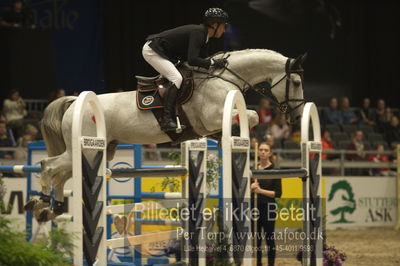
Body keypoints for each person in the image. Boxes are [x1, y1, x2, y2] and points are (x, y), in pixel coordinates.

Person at [142, 8, 229, 132]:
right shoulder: (199, 33)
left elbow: (203, 60)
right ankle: (166, 119)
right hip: (152, 51)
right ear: (215, 25)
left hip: (166, 53)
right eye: (223, 26)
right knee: (176, 78)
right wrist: (214, 62)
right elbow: (193, 60)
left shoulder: (204, 37)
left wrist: (214, 63)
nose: (224, 30)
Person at [251, 143, 282, 266]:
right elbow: (245, 190)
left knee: (269, 238)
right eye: (261, 150)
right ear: (258, 152)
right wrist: (250, 187)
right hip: (255, 208)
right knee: (257, 239)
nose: (263, 152)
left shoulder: (275, 170)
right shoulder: (253, 169)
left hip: (269, 208)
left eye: (266, 150)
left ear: (270, 153)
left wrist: (260, 191)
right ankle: (258, 263)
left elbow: (278, 193)